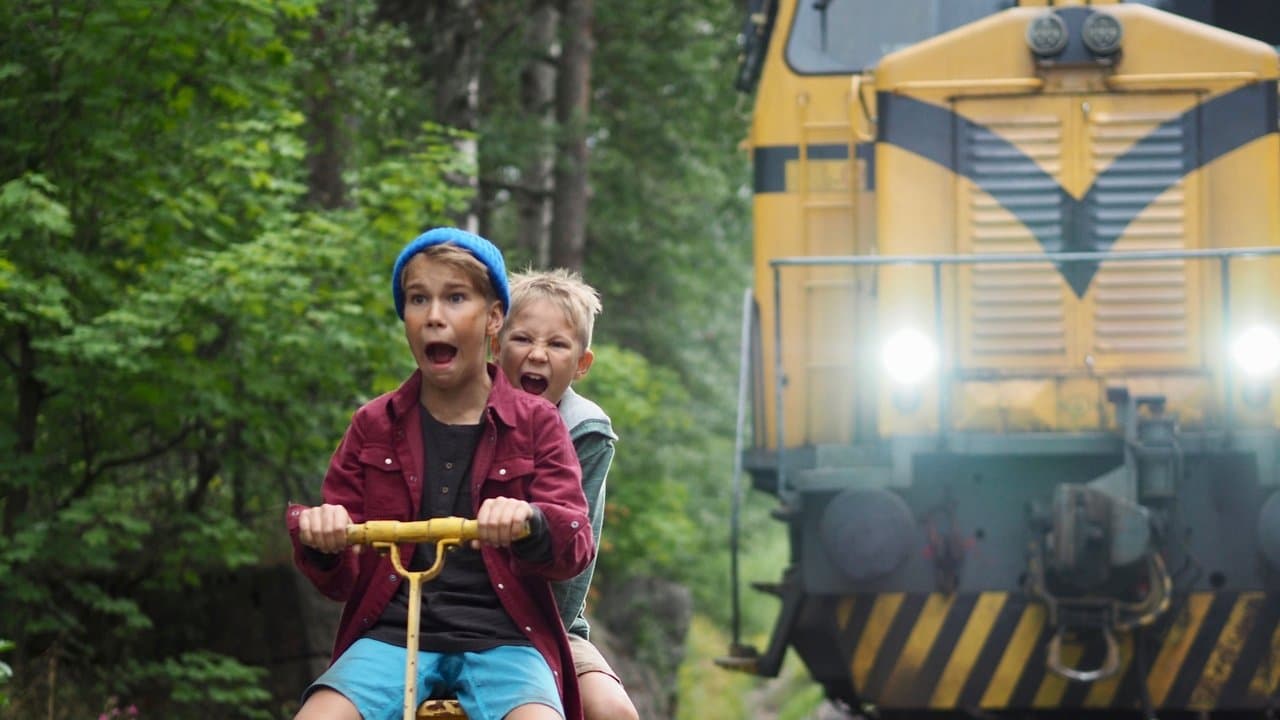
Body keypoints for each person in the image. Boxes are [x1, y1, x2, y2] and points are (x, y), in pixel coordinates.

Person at [286, 228, 595, 720]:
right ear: (404, 317)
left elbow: (574, 545)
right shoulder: (373, 425)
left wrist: (532, 521)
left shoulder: (537, 423)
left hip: (506, 639)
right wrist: (322, 538)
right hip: (389, 635)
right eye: (417, 299)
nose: (434, 316)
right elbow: (340, 581)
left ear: (494, 316)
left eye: (455, 298)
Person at [492, 269, 640, 720]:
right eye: (523, 339)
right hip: (457, 615)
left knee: (613, 712)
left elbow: (577, 560)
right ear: (495, 346)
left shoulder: (584, 430)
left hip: (548, 620)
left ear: (581, 364)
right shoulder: (463, 407)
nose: (538, 354)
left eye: (557, 345)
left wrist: (538, 640)